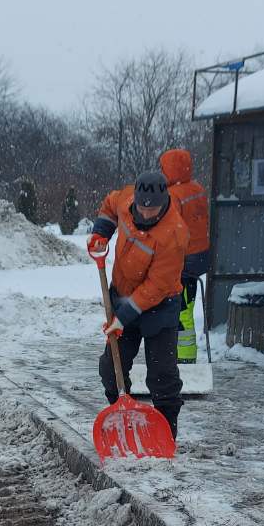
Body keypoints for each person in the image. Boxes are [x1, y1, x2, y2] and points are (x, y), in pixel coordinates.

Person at [87, 170, 189, 437]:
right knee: (111, 368)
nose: (146, 215)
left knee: (162, 376)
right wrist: (101, 232)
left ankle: (166, 432)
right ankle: (123, 413)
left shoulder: (174, 233)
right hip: (122, 295)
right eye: (142, 209)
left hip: (160, 306)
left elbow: (156, 287)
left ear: (163, 201)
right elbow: (110, 205)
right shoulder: (126, 199)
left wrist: (123, 317)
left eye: (153, 210)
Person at [159, 148, 210, 365]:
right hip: (200, 257)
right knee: (185, 304)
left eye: (163, 168)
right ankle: (182, 353)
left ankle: (184, 357)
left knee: (180, 309)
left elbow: (172, 231)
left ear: (170, 169)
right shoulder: (197, 189)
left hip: (184, 259)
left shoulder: (173, 196)